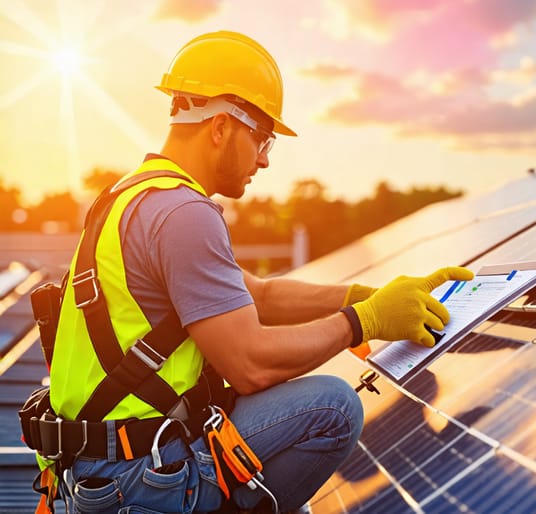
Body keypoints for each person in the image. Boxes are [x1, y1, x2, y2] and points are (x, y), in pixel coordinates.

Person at [43, 30, 473, 513]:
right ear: (222, 127)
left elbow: (260, 297)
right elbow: (251, 366)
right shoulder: (184, 213)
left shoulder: (134, 196)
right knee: (333, 407)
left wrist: (360, 295)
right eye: (263, 138)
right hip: (140, 476)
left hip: (103, 466)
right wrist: (366, 321)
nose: (265, 159)